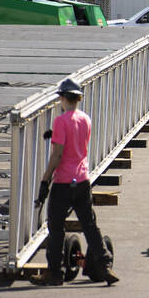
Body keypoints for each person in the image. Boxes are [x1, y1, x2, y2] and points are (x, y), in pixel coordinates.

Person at [32, 78, 118, 286]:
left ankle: (54, 273)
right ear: (78, 98)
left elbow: (58, 154)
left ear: (62, 98)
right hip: (81, 180)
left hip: (63, 182)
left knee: (56, 227)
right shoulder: (86, 119)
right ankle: (105, 266)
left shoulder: (60, 121)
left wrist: (45, 179)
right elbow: (77, 141)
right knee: (89, 225)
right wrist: (56, 135)